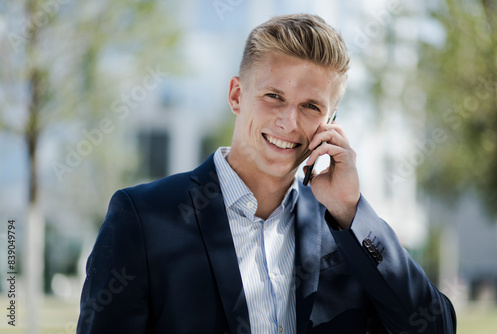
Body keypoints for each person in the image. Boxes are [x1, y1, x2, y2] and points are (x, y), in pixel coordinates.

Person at [77, 14, 456, 334]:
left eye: (310, 106)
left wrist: (351, 211)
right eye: (273, 96)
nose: (288, 122)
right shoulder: (144, 218)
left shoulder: (346, 232)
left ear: (330, 123)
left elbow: (435, 327)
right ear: (237, 96)